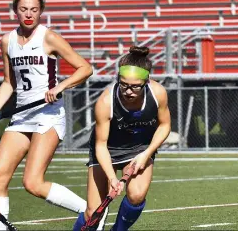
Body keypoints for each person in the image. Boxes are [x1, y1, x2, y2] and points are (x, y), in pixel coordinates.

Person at [0, 0, 94, 230]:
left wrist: (60, 86)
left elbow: (85, 68)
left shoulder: (48, 37)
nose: (29, 14)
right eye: (23, 9)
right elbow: (9, 83)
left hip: (47, 115)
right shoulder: (7, 41)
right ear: (15, 11)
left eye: (34, 9)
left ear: (41, 12)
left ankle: (90, 212)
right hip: (21, 115)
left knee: (32, 182)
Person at [73, 46, 171, 231]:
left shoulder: (158, 93)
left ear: (146, 81)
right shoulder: (105, 101)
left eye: (135, 86)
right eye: (123, 84)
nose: (128, 91)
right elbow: (100, 145)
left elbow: (164, 125)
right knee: (93, 212)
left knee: (136, 195)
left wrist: (147, 153)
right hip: (107, 149)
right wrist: (111, 178)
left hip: (139, 148)